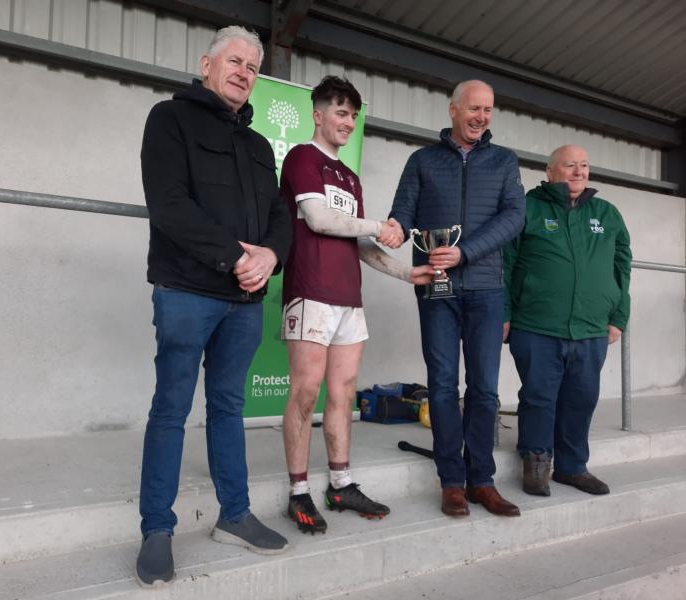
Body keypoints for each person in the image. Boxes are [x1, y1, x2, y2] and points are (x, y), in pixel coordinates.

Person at [136, 26, 292, 585]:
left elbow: (280, 214)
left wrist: (271, 255)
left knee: (229, 407)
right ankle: (157, 528)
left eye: (252, 67)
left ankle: (235, 514)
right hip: (186, 291)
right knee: (171, 408)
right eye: (234, 61)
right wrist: (235, 258)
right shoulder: (169, 119)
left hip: (244, 300)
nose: (244, 72)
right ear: (207, 65)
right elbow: (169, 205)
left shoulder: (256, 145)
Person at [280, 75, 435, 534]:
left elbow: (362, 245)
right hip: (310, 292)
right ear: (319, 114)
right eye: (341, 112)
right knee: (306, 392)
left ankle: (341, 484)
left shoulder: (349, 176)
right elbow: (321, 219)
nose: (348, 122)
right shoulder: (301, 158)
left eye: (353, 114)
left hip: (350, 300)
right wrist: (378, 224)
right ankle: (298, 491)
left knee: (343, 394)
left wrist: (409, 272)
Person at [389, 80, 526, 518]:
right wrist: (388, 231)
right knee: (443, 385)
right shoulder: (422, 160)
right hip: (436, 287)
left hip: (486, 288)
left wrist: (466, 251)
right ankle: (451, 482)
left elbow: (514, 217)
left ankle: (481, 480)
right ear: (453, 110)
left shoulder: (504, 162)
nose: (481, 117)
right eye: (474, 109)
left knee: (484, 389)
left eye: (488, 110)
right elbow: (403, 214)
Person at [504, 144, 631, 497]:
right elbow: (506, 263)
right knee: (539, 396)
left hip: (591, 327)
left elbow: (623, 268)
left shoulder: (607, 214)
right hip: (536, 324)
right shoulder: (527, 207)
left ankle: (573, 467)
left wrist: (619, 316)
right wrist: (504, 313)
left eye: (585, 165)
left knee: (582, 397)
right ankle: (537, 461)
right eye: (570, 165)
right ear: (550, 171)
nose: (579, 172)